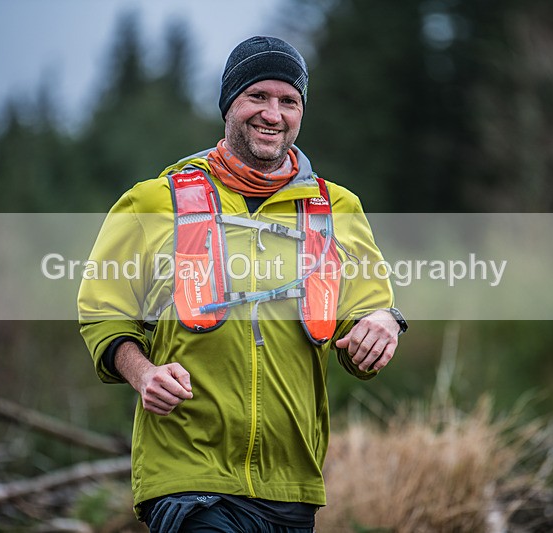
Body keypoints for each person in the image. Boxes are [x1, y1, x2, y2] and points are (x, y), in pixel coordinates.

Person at [78, 36, 408, 533]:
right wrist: (142, 373)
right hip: (186, 474)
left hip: (292, 484)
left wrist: (385, 323)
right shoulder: (151, 201)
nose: (273, 114)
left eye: (288, 101)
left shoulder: (338, 209)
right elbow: (102, 309)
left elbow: (368, 314)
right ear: (229, 104)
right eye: (258, 96)